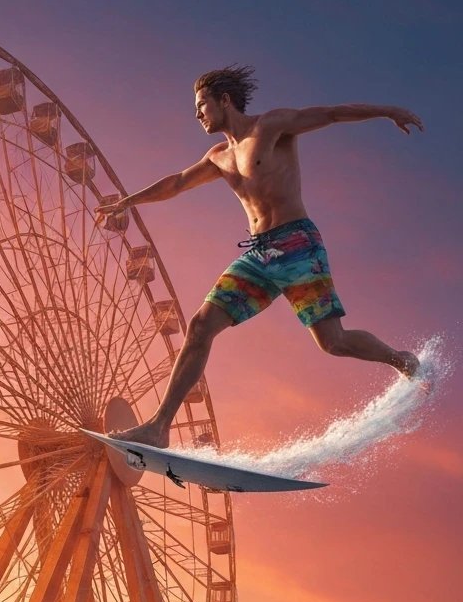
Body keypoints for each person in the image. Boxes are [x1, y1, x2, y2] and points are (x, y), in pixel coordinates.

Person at [95, 65, 424, 449]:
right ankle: (158, 427)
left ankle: (400, 360)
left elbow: (333, 113)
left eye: (202, 105)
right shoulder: (219, 156)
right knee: (200, 326)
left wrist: (388, 111)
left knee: (333, 343)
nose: (197, 114)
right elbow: (178, 182)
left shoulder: (272, 125)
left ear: (224, 100)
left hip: (298, 244)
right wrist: (127, 201)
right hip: (259, 255)